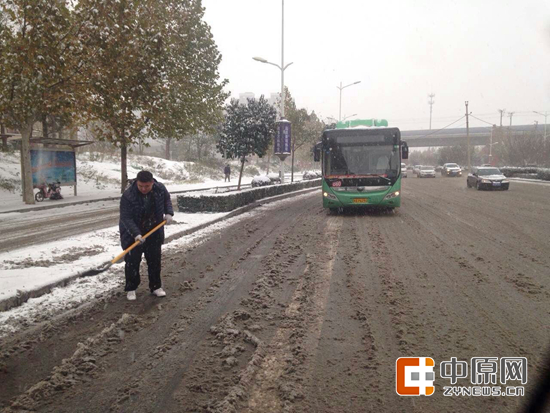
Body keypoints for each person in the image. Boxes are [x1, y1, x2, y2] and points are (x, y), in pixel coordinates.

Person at [119, 170, 174, 301]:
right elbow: (126, 218)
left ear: (152, 183)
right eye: (141, 186)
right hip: (133, 233)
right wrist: (136, 234)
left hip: (154, 230)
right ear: (137, 183)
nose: (143, 189)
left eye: (147, 186)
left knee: (154, 261)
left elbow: (167, 200)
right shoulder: (128, 195)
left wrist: (168, 212)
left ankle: (156, 287)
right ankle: (131, 288)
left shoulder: (160, 189)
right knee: (132, 262)